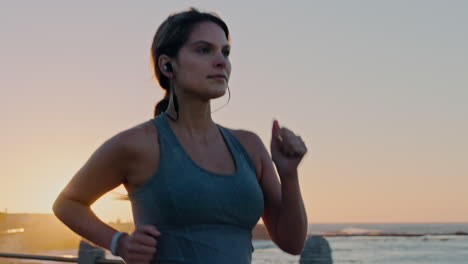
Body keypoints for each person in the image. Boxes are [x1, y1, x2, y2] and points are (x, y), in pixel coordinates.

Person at [53, 8, 308, 264]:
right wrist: (119, 242)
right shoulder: (138, 144)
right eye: (204, 50)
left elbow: (292, 243)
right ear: (167, 64)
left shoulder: (249, 146)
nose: (221, 61)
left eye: (225, 52)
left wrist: (289, 174)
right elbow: (67, 203)